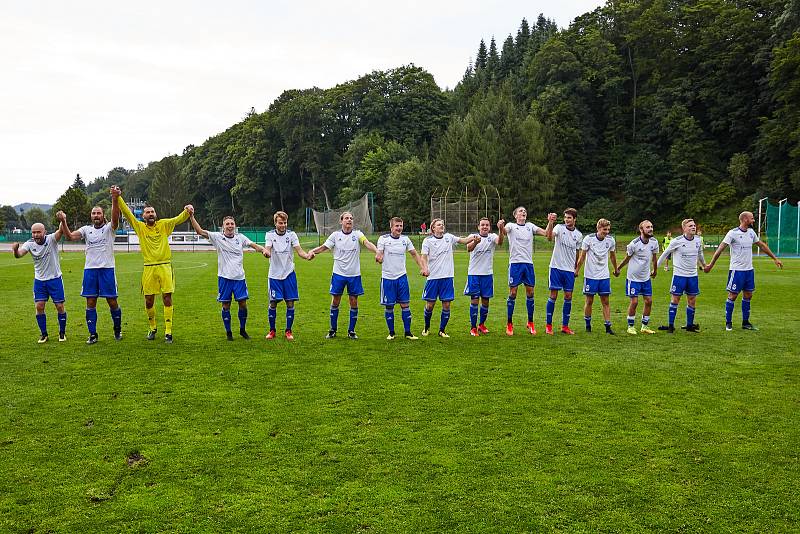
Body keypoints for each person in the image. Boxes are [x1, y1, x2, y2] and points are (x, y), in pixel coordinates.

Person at [113, 186, 191, 344]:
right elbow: (127, 213)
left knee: (167, 298)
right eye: (147, 212)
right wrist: (118, 197)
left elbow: (178, 219)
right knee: (149, 300)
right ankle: (152, 327)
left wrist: (187, 210)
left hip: (165, 266)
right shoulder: (140, 228)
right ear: (143, 216)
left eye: (152, 212)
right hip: (149, 268)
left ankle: (168, 331)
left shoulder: (163, 225)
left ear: (155, 214)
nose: (150, 214)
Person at [189, 210, 268, 340]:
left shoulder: (240, 238)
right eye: (227, 224)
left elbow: (253, 245)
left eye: (232, 224)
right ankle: (229, 332)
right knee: (226, 305)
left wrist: (263, 250)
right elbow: (200, 231)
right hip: (224, 278)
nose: (230, 226)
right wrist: (191, 216)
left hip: (239, 278)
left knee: (243, 304)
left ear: (235, 226)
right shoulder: (217, 237)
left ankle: (242, 330)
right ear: (223, 226)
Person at [704, 211, 783, 331]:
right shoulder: (732, 233)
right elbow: (720, 249)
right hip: (737, 270)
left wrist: (775, 259)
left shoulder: (751, 233)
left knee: (748, 295)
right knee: (733, 295)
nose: (754, 220)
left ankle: (745, 323)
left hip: (749, 270)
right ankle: (728, 322)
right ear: (745, 219)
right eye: (752, 218)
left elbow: (761, 245)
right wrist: (711, 265)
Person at [57, 201, 122, 344]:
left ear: (103, 215)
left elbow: (116, 217)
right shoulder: (86, 229)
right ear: (91, 216)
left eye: (99, 213)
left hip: (107, 270)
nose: (96, 215)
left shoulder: (109, 228)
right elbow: (70, 237)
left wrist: (115, 199)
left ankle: (117, 329)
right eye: (94, 213)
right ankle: (93, 334)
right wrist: (63, 221)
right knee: (90, 302)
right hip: (90, 271)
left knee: (112, 302)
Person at [310, 211, 378, 339]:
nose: (349, 220)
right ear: (341, 221)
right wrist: (312, 251)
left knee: (353, 301)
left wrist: (377, 251)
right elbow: (324, 247)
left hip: (354, 275)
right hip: (338, 274)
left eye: (351, 218)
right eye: (346, 218)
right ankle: (332, 330)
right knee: (335, 300)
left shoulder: (358, 234)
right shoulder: (335, 235)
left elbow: (367, 243)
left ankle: (351, 331)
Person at [419, 218, 479, 337]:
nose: (442, 226)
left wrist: (473, 237)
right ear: (433, 228)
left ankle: (442, 330)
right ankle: (426, 327)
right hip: (433, 278)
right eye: (439, 224)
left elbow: (464, 240)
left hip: (447, 277)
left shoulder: (449, 237)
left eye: (442, 224)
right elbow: (424, 257)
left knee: (446, 305)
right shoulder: (428, 240)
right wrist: (425, 268)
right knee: (430, 305)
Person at [503, 207, 557, 336]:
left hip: (528, 264)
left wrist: (550, 222)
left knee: (531, 292)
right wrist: (500, 226)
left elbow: (546, 234)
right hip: (515, 264)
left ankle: (530, 322)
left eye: (525, 211)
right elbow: (504, 232)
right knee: (513, 292)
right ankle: (509, 323)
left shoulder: (530, 226)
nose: (523, 212)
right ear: (515, 215)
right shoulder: (511, 225)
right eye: (520, 211)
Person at [12, 222, 67, 343]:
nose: (36, 234)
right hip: (39, 281)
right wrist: (15, 250)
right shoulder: (29, 244)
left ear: (44, 232)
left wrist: (63, 220)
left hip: (55, 279)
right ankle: (44, 334)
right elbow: (19, 255)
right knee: (39, 306)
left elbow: (60, 231)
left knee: (59, 306)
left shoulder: (52, 239)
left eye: (38, 232)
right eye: (33, 232)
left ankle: (62, 333)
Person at [263, 211, 314, 340]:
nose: (283, 225)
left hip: (289, 274)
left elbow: (299, 251)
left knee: (290, 303)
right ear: (275, 223)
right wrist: (266, 253)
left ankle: (288, 331)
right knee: (273, 303)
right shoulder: (269, 235)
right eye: (280, 223)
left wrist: (307, 256)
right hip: (274, 275)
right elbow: (267, 248)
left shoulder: (291, 235)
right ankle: (272, 330)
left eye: (285, 222)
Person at [375, 217, 426, 340]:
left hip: (401, 277)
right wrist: (379, 258)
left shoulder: (405, 239)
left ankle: (408, 333)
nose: (399, 228)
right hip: (387, 278)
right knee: (389, 306)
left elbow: (414, 254)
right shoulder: (383, 239)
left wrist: (423, 267)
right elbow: (379, 254)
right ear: (391, 227)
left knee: (405, 305)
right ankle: (391, 333)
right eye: (397, 226)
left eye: (401, 226)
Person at [657, 218, 706, 333]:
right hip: (679, 275)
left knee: (692, 300)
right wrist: (655, 268)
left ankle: (689, 326)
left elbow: (700, 254)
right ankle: (670, 326)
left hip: (693, 276)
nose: (693, 227)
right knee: (675, 299)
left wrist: (704, 265)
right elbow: (665, 254)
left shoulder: (698, 240)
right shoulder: (677, 241)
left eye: (694, 225)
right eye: (690, 226)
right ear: (684, 228)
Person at [615, 220, 659, 335]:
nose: (650, 229)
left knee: (649, 301)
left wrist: (655, 270)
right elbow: (627, 258)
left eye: (651, 226)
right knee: (634, 302)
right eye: (648, 227)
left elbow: (654, 258)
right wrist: (618, 268)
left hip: (646, 278)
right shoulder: (633, 244)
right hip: (633, 278)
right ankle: (630, 326)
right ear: (641, 230)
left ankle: (644, 326)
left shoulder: (654, 242)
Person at [576, 218, 618, 335]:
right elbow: (582, 257)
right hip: (590, 275)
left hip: (604, 276)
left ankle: (608, 326)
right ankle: (588, 325)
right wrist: (577, 270)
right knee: (589, 301)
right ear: (598, 228)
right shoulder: (588, 239)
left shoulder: (610, 241)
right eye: (605, 229)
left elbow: (612, 257)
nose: (607, 232)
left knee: (605, 301)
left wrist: (616, 269)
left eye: (608, 230)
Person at [464, 217, 505, 336]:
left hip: (487, 274)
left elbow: (500, 242)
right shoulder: (473, 236)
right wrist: (476, 242)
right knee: (475, 300)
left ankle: (481, 324)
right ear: (478, 227)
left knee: (486, 301)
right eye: (482, 225)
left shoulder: (492, 237)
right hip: (474, 274)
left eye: (487, 225)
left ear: (489, 227)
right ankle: (473, 327)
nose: (485, 227)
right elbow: (468, 248)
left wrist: (501, 229)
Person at [545, 208, 583, 335]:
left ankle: (565, 326)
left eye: (569, 218)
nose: (567, 220)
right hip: (556, 267)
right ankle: (548, 325)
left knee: (568, 296)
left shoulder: (578, 235)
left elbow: (577, 253)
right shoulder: (559, 228)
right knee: (553, 295)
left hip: (568, 270)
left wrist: (575, 268)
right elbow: (549, 237)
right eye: (566, 217)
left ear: (574, 219)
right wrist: (550, 222)